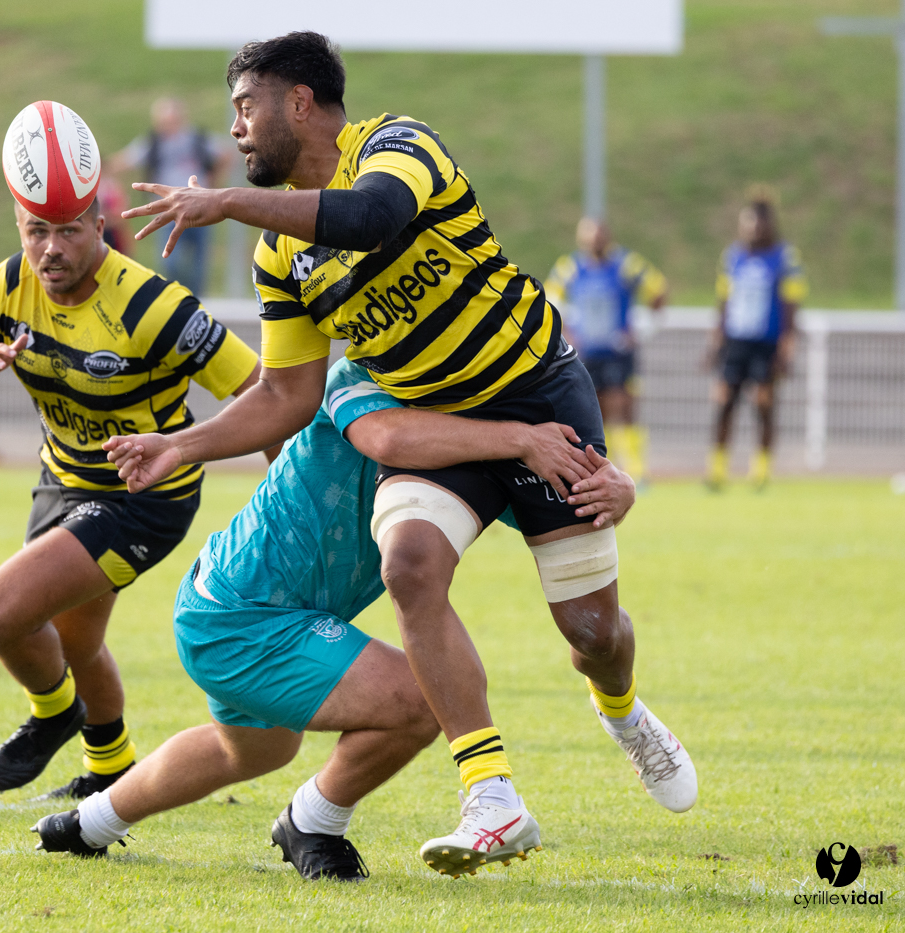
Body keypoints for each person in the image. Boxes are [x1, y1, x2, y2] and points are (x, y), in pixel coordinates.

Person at [107, 31, 698, 854]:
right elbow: (286, 395)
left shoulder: (397, 144)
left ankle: (621, 707)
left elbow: (373, 215)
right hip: (438, 427)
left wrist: (225, 202)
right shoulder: (279, 249)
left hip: (538, 393)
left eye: (246, 107)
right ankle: (490, 794)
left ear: (300, 103)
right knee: (410, 564)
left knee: (594, 634)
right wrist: (188, 443)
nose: (235, 130)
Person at [38, 358, 636, 878]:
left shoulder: (473, 427)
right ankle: (311, 822)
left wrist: (617, 489)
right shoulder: (363, 378)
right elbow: (390, 439)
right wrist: (520, 438)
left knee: (248, 751)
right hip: (241, 614)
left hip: (249, 611)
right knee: (424, 697)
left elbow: (539, 510)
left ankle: (84, 825)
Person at [0, 162, 264, 799]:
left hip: (143, 498)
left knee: (0, 615)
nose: (51, 248)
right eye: (37, 231)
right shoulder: (10, 283)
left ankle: (54, 713)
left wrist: (283, 494)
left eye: (69, 230)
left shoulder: (154, 306)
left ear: (100, 229)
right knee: (78, 639)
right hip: (62, 480)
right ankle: (111, 769)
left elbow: (265, 391)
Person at [545, 217, 668, 485]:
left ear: (607, 236)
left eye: (598, 234)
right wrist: (569, 333)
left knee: (624, 407)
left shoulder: (625, 263)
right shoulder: (571, 267)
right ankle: (606, 465)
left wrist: (640, 329)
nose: (594, 240)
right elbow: (550, 299)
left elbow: (658, 290)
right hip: (587, 354)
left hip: (618, 352)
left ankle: (637, 469)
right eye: (588, 235)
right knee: (593, 410)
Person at [706, 190, 806, 491]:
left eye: (757, 224)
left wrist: (787, 347)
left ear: (768, 225)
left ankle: (761, 470)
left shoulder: (784, 258)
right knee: (724, 402)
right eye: (746, 223)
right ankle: (717, 470)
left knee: (763, 404)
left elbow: (791, 306)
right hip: (736, 342)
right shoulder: (732, 256)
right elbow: (723, 303)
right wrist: (715, 343)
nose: (751, 229)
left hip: (766, 343)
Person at [110, 97, 231, 297]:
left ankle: (196, 298)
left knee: (199, 260)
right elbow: (128, 159)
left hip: (199, 207)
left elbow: (225, 154)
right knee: (170, 261)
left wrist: (213, 183)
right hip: (167, 210)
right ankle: (179, 295)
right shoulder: (153, 143)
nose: (167, 126)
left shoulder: (196, 139)